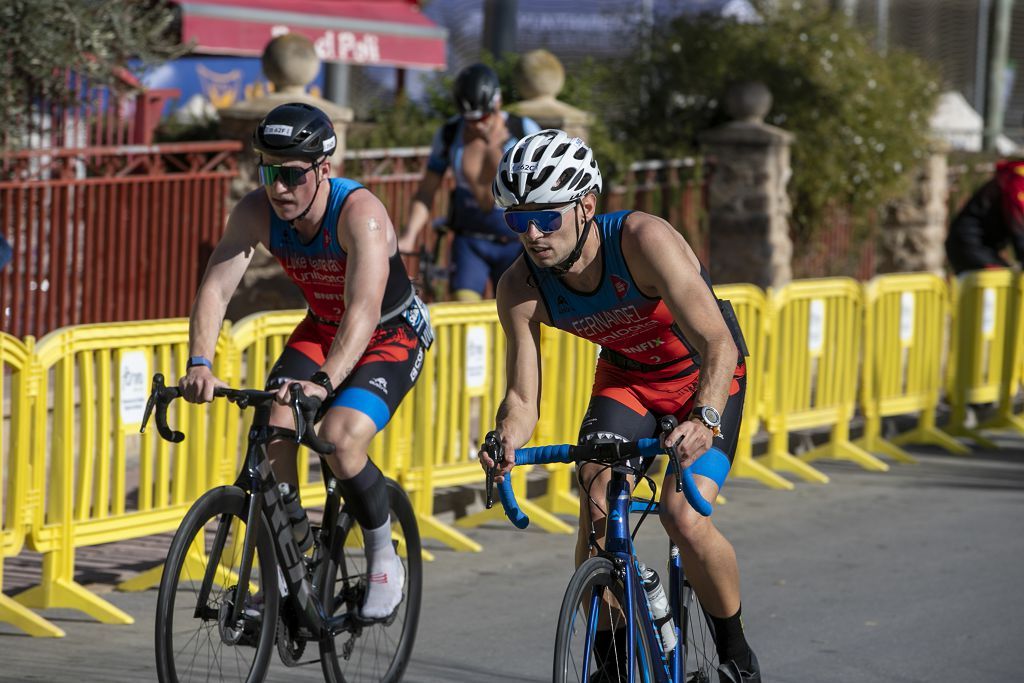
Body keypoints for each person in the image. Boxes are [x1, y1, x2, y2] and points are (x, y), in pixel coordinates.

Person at [478, 129, 761, 682]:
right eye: (517, 220)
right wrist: (506, 438)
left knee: (683, 514)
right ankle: (610, 667)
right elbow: (521, 397)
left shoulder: (641, 240)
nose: (532, 234)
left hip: (702, 376)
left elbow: (719, 343)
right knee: (597, 502)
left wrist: (703, 416)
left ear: (586, 204)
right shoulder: (519, 287)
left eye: (547, 217)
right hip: (627, 379)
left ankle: (737, 657)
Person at [178, 102, 433, 620]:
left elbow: (362, 311)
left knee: (338, 438)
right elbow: (215, 288)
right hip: (322, 327)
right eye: (268, 172)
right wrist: (200, 361)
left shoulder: (360, 215)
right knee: (273, 427)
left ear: (324, 170)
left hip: (389, 333)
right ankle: (291, 560)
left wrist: (323, 382)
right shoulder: (255, 210)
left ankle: (384, 555)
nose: (278, 188)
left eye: (292, 174)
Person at [398, 63, 541, 301]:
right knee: (466, 314)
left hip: (515, 241)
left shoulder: (523, 130)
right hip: (470, 241)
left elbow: (545, 188)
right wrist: (409, 234)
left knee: (516, 312)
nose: (476, 125)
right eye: (469, 119)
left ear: (498, 102)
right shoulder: (451, 133)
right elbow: (426, 191)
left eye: (483, 117)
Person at [946, 158, 1024, 274]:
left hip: (982, 246)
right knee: (997, 283)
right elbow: (1017, 224)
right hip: (969, 245)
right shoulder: (1017, 180)